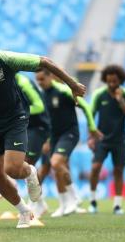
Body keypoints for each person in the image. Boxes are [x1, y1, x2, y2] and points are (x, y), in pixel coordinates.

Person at [0, 23, 86, 228]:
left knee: (11, 168)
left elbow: (44, 62)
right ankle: (24, 211)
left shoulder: (5, 59)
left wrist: (72, 84)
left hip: (14, 119)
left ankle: (29, 172)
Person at [35, 68, 103, 217]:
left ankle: (75, 197)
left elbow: (85, 106)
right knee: (58, 168)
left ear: (50, 77)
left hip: (69, 133)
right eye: (37, 80)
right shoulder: (41, 95)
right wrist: (46, 140)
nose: (40, 82)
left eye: (42, 79)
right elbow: (46, 120)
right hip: (53, 136)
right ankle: (63, 205)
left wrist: (91, 127)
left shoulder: (63, 90)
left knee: (56, 163)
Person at [87, 64, 125, 215]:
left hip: (119, 139)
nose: (112, 84)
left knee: (118, 170)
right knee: (95, 168)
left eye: (115, 81)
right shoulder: (98, 95)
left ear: (120, 80)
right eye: (109, 81)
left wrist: (120, 101)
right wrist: (91, 136)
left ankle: (117, 205)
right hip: (101, 138)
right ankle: (93, 201)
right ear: (105, 80)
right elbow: (90, 115)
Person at [15, 73, 51, 218]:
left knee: (28, 164)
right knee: (23, 165)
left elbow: (39, 106)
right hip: (27, 127)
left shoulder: (23, 82)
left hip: (39, 127)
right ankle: (39, 203)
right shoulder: (7, 82)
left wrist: (20, 112)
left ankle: (33, 204)